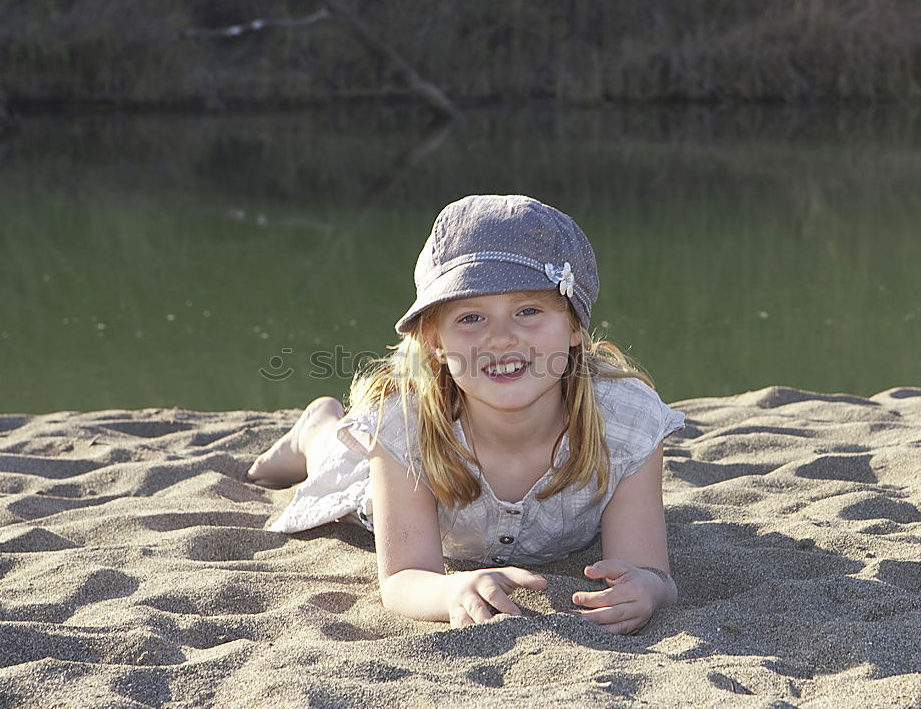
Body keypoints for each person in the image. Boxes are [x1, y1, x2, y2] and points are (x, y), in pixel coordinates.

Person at [249, 195, 684, 633]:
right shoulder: (403, 423)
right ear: (435, 339)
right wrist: (450, 590)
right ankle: (315, 427)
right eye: (472, 317)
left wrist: (645, 587)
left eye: (528, 311)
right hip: (380, 480)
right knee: (339, 461)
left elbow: (651, 572)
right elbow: (401, 577)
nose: (500, 338)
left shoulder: (626, 422)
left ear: (574, 326)